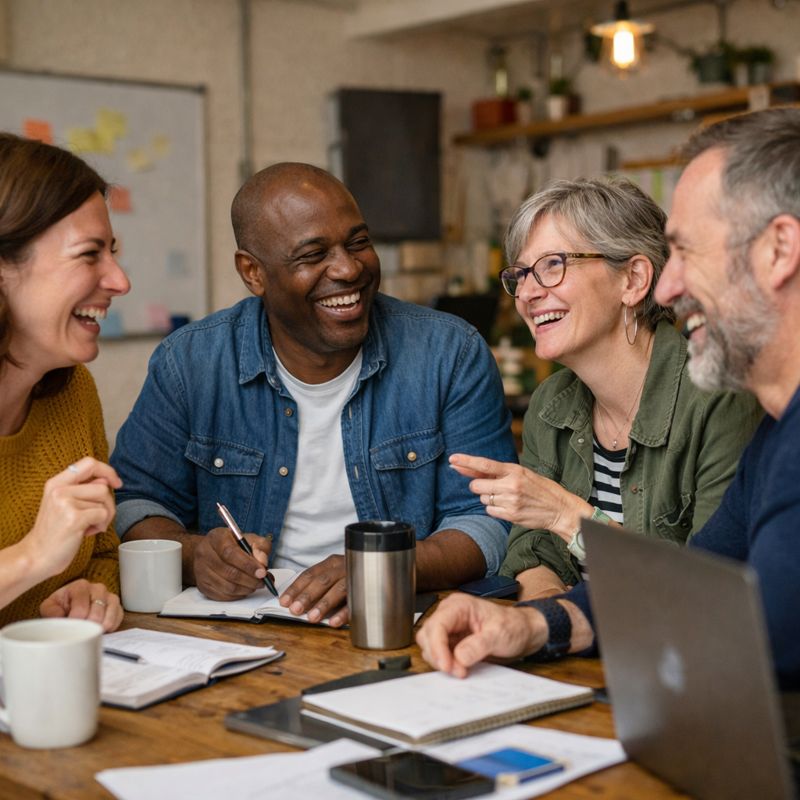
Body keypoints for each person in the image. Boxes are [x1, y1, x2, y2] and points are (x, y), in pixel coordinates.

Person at [417, 107, 800, 691]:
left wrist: (567, 516)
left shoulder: (742, 412)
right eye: (520, 274)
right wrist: (534, 627)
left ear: (779, 250)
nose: (671, 287)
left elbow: (742, 634)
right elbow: (691, 585)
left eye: (689, 252)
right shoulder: (779, 435)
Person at [111, 162, 517, 626]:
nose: (348, 268)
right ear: (253, 273)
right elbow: (136, 504)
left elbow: (488, 520)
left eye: (359, 243)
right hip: (236, 635)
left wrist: (383, 568)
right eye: (312, 255)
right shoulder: (191, 363)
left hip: (399, 626)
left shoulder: (450, 353)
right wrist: (196, 554)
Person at [448, 176, 760, 600]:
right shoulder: (550, 403)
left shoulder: (719, 400)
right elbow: (530, 550)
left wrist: (567, 515)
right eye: (521, 273)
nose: (526, 292)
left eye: (553, 265)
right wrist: (547, 622)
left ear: (632, 279)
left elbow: (710, 587)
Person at [0, 133, 129, 631]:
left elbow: (102, 555)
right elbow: (46, 553)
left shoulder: (72, 391)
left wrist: (91, 594)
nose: (120, 281)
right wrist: (33, 556)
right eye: (89, 254)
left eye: (112, 253)